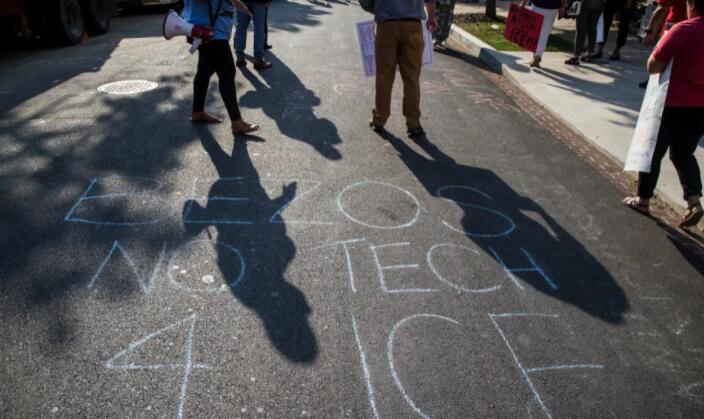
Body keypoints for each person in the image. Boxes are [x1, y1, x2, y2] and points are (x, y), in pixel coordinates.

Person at [623, 0, 704, 227]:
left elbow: (653, 66)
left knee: (652, 152)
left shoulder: (682, 29)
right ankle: (694, 201)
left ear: (692, 5)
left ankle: (643, 199)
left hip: (671, 103)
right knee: (683, 153)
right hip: (700, 108)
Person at [359, 0, 437, 136]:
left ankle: (379, 119)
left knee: (384, 76)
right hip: (413, 26)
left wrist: (380, 9)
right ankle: (413, 123)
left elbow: (365, 2)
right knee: (412, 77)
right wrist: (431, 17)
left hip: (386, 26)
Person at [185, 0, 260, 135]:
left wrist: (243, 8)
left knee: (204, 72)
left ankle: (197, 112)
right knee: (227, 74)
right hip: (213, 34)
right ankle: (237, 123)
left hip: (209, 32)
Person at [639, 0, 687, 87]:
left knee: (659, 60)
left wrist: (650, 31)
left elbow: (662, 9)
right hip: (696, 28)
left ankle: (654, 83)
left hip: (675, 28)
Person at [520, 0, 568, 67]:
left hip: (538, 6)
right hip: (553, 7)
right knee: (544, 33)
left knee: (535, 32)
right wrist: (563, 7)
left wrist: (523, 3)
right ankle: (537, 56)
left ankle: (535, 57)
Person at [234, 0, 272, 69]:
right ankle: (258, 60)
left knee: (240, 27)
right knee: (259, 29)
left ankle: (240, 58)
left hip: (243, 1)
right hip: (259, 2)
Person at [565, 0, 605, 64]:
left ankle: (576, 56)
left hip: (585, 4)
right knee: (592, 30)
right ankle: (589, 55)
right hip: (598, 4)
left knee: (581, 31)